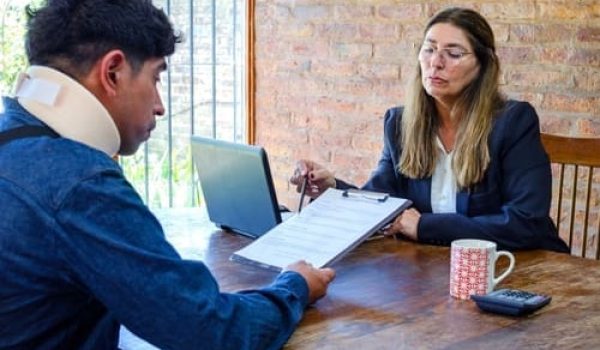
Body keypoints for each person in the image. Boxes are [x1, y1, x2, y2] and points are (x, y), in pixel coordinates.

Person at [0, 0, 334, 349]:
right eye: (156, 77)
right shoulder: (79, 185)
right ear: (112, 72)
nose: (160, 104)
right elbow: (212, 332)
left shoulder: (12, 141)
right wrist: (294, 286)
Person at [290, 7, 568, 253]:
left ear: (483, 66)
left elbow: (525, 222)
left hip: (523, 269)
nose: (436, 62)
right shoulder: (399, 124)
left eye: (454, 53)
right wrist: (333, 189)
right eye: (429, 49)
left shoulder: (513, 122)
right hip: (436, 269)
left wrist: (425, 226)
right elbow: (380, 201)